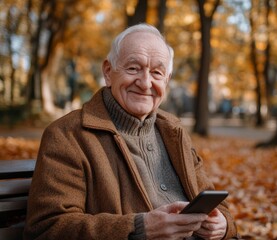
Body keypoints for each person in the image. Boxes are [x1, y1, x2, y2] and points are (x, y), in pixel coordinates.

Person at [24, 23, 238, 240]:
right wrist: (139, 228)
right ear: (108, 72)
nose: (145, 83)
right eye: (134, 68)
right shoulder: (67, 135)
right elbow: (47, 228)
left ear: (167, 80)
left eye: (157, 72)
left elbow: (218, 205)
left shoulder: (174, 130)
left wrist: (222, 225)